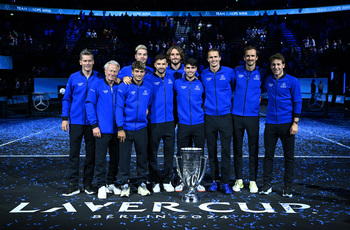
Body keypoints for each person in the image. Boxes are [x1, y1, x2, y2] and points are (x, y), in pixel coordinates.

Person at [259, 53, 302, 198]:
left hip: (287, 124)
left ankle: (288, 187)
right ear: (270, 67)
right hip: (270, 123)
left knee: (288, 157)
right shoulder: (268, 81)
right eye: (273, 65)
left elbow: (297, 102)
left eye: (278, 64)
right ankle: (266, 185)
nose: (276, 67)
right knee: (268, 156)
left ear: (283, 65)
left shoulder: (292, 81)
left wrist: (295, 123)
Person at [61, 49, 102, 196]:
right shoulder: (73, 78)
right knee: (74, 154)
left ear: (93, 62)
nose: (87, 63)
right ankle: (73, 184)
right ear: (80, 62)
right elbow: (66, 98)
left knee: (91, 155)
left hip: (93, 123)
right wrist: (65, 118)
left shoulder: (99, 77)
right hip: (76, 122)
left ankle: (88, 184)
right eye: (85, 61)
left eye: (90, 60)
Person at [116, 61, 153, 197]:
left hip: (142, 127)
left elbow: (148, 104)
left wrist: (145, 110)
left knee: (142, 157)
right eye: (136, 71)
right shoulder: (124, 86)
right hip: (125, 128)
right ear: (132, 72)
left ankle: (142, 184)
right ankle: (125, 184)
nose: (139, 74)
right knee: (124, 157)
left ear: (144, 73)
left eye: (141, 71)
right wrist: (120, 128)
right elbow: (119, 107)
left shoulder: (148, 88)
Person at [231, 46, 266, 194]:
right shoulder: (236, 71)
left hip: (252, 117)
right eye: (247, 56)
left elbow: (266, 88)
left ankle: (252, 181)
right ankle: (238, 180)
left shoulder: (263, 73)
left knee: (253, 150)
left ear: (256, 57)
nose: (250, 58)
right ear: (244, 57)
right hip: (236, 116)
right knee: (237, 149)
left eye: (253, 56)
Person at [200, 48, 234, 194]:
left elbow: (234, 87)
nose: (213, 59)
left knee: (226, 151)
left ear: (220, 58)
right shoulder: (204, 74)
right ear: (207, 59)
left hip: (226, 116)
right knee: (212, 151)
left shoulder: (229, 72)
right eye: (210, 57)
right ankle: (214, 180)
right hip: (210, 117)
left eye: (216, 57)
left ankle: (225, 182)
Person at [85, 60, 121, 199]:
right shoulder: (97, 85)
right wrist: (94, 125)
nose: (112, 73)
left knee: (115, 158)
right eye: (110, 71)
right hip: (101, 129)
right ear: (105, 71)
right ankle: (101, 185)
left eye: (115, 71)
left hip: (117, 130)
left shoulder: (119, 86)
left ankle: (110, 182)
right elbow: (89, 104)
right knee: (100, 159)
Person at [143, 54, 176, 193]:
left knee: (169, 153)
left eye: (164, 64)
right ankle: (155, 180)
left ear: (167, 65)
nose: (161, 66)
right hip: (154, 122)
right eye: (159, 64)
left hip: (169, 122)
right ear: (154, 65)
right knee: (153, 153)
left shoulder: (172, 78)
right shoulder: (147, 78)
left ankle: (167, 180)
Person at [174, 58, 206, 193]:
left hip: (199, 124)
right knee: (181, 153)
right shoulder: (177, 83)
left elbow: (205, 100)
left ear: (196, 69)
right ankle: (182, 180)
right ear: (184, 69)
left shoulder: (201, 84)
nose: (190, 70)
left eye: (193, 68)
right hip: (183, 124)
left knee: (199, 154)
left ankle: (197, 180)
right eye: (188, 67)